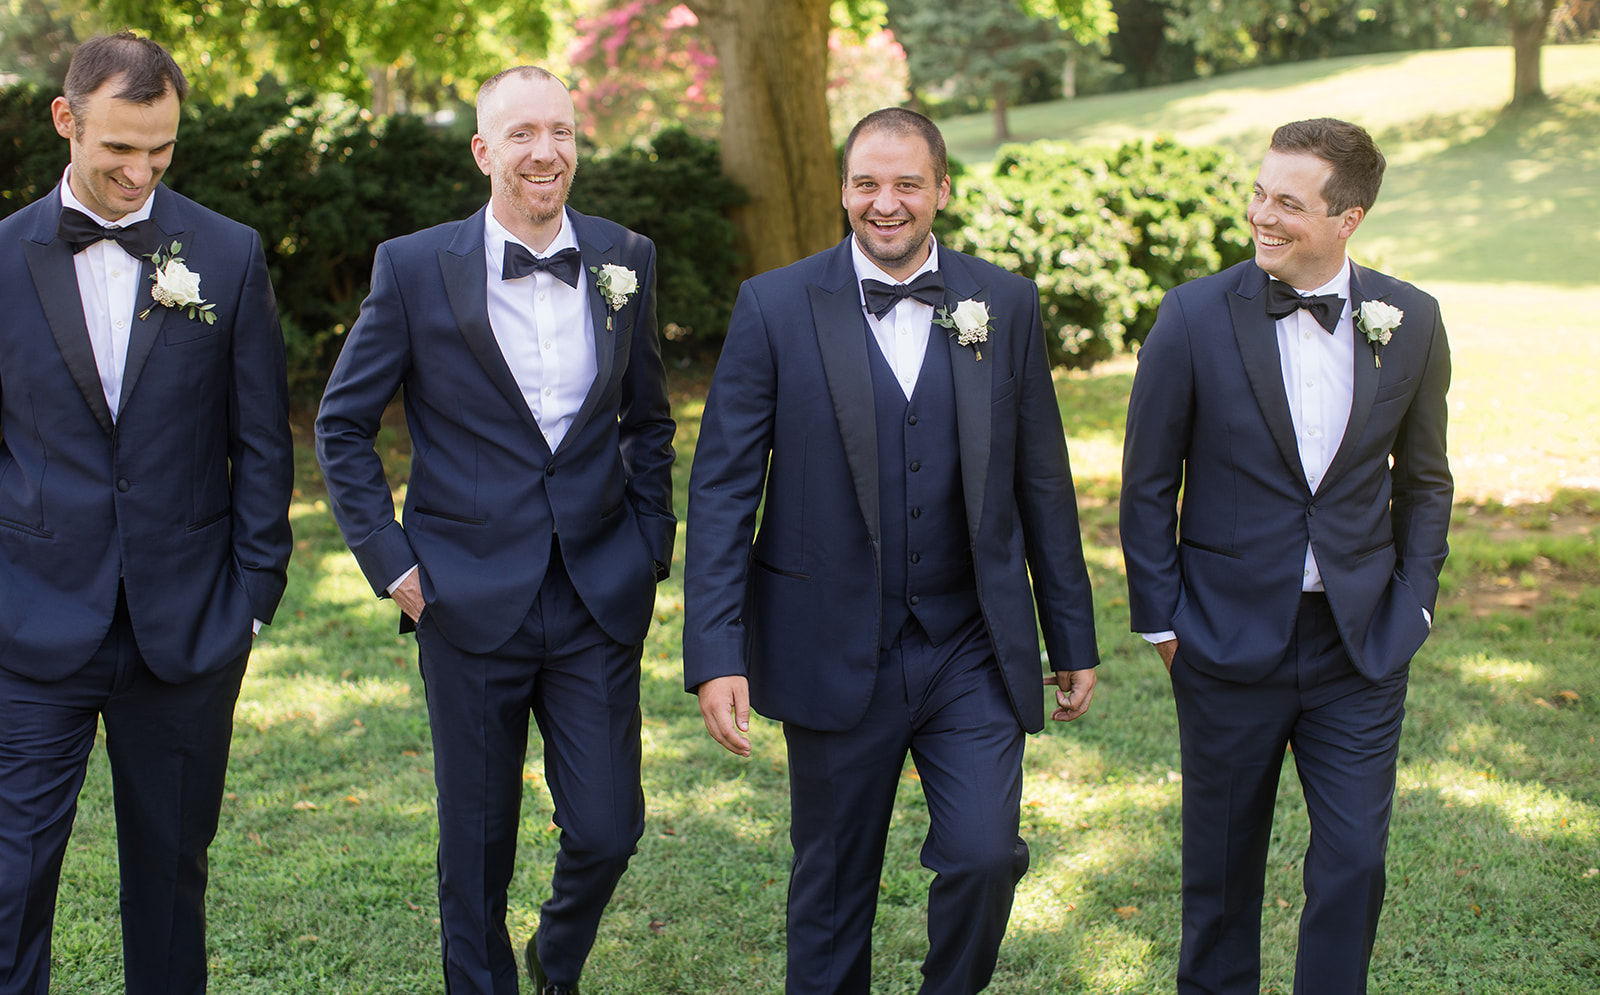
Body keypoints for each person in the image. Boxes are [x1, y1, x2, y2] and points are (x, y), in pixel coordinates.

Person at [684, 107, 1098, 995]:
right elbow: (721, 490)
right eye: (867, 183)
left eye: (908, 183)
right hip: (831, 637)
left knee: (987, 856)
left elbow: (1043, 482)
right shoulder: (775, 305)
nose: (886, 203)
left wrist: (1072, 635)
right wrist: (716, 652)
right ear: (842, 190)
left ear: (942, 190)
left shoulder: (1005, 304)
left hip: (969, 643)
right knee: (833, 887)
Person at [315, 65, 675, 995]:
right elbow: (343, 425)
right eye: (521, 134)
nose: (544, 151)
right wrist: (389, 560)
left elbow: (649, 421)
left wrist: (651, 542)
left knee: (607, 825)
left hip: (598, 589)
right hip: (464, 597)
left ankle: (557, 954)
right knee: (475, 842)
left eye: (559, 130)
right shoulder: (413, 267)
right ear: (483, 150)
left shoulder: (624, 256)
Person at [1120, 117, 1452, 994]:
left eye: (1289, 203)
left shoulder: (1410, 319)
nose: (1263, 215)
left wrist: (1413, 602)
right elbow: (1148, 480)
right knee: (1221, 877)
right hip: (1224, 640)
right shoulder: (1193, 315)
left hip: (1360, 644)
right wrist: (1161, 617)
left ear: (1350, 218)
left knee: (1353, 865)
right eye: (1260, 192)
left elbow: (1426, 482)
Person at [0, 32, 294, 994]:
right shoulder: (0, 260)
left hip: (189, 626)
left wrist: (251, 595)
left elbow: (262, 440)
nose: (140, 173)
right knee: (10, 881)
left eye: (161, 151)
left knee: (171, 886)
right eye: (119, 148)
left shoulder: (229, 253)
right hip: (29, 625)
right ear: (66, 119)